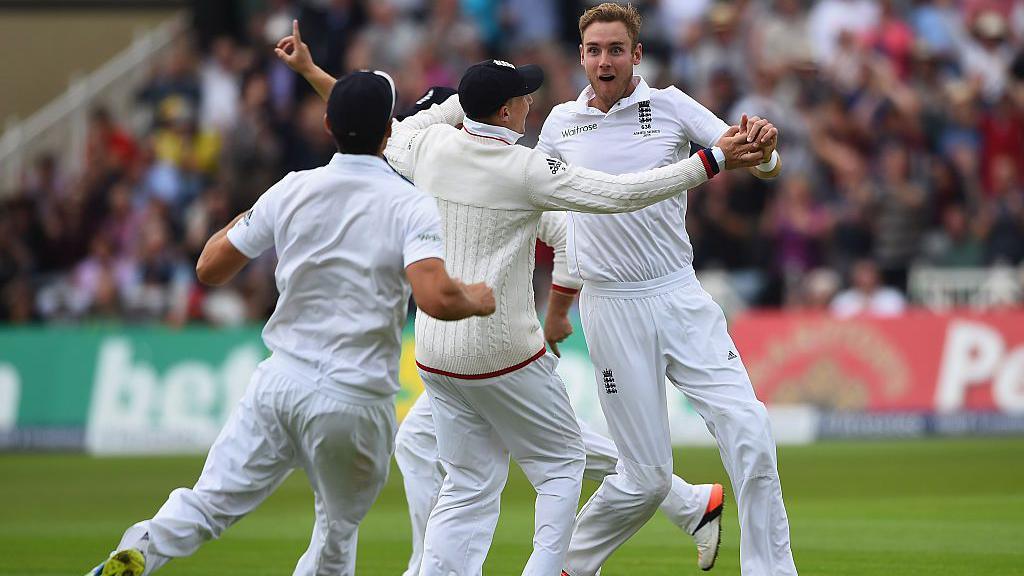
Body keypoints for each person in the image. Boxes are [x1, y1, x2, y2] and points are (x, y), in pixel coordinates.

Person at [276, 18, 767, 575]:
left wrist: (312, 72)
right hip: (504, 349)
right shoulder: (528, 168)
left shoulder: (425, 146)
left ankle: (683, 505)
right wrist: (710, 161)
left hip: (435, 352)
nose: (532, 103)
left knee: (464, 484)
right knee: (561, 463)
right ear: (507, 112)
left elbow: (367, 123)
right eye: (523, 97)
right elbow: (621, 195)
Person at [84, 70, 495, 576]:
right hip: (354, 399)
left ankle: (143, 549)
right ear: (390, 132)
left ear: (327, 125)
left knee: (208, 503)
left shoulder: (293, 188)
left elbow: (209, 267)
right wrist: (476, 299)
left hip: (279, 385)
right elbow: (434, 297)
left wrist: (258, 214)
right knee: (336, 533)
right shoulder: (410, 204)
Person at [535, 4, 798, 575]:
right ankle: (568, 566)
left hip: (678, 295)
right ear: (581, 56)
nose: (605, 61)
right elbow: (539, 209)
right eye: (594, 50)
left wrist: (767, 147)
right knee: (646, 477)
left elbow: (756, 158)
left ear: (637, 54)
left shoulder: (671, 105)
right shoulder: (559, 123)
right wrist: (558, 299)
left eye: (616, 49)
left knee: (751, 430)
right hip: (609, 307)